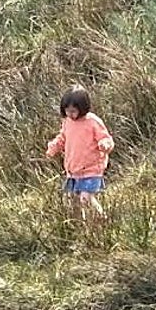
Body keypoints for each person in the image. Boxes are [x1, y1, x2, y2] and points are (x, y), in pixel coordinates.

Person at [46, 85, 115, 220]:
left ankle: (102, 219)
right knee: (72, 201)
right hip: (73, 170)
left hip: (91, 169)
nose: (70, 114)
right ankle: (82, 226)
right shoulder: (67, 122)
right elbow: (63, 137)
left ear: (82, 108)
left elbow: (106, 138)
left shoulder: (93, 122)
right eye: (67, 111)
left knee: (86, 198)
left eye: (73, 111)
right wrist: (54, 147)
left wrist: (105, 145)